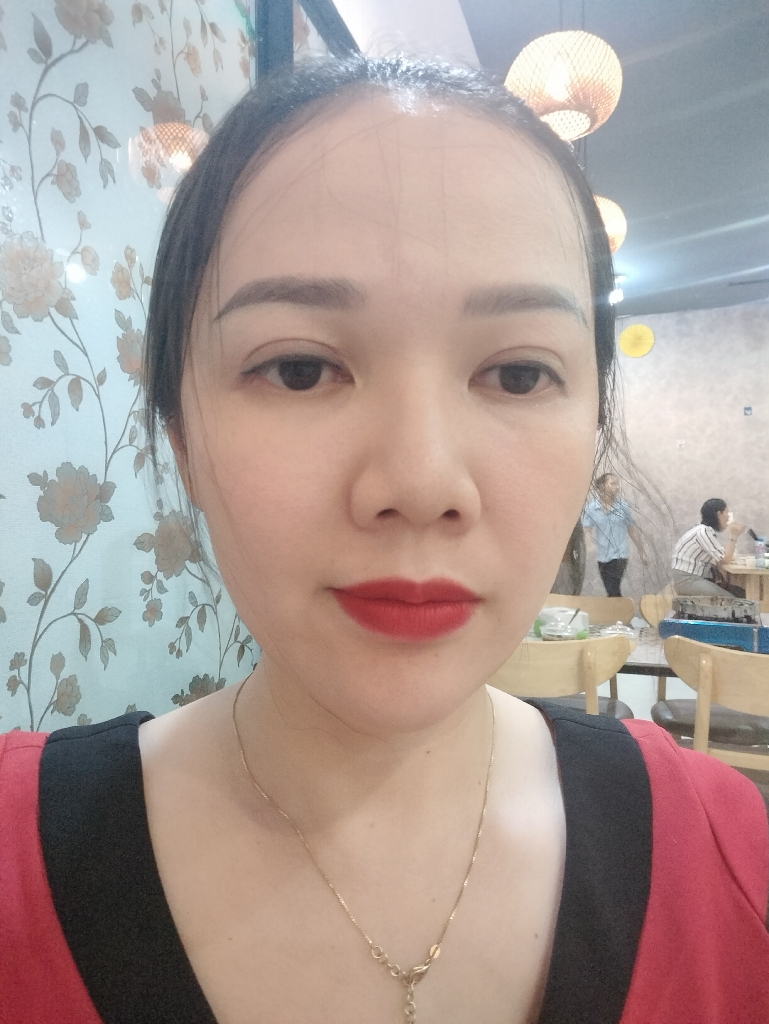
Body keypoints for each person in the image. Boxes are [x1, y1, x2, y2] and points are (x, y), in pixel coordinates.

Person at [1, 57, 767, 1024]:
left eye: (518, 374)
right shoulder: (15, 862)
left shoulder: (730, 855)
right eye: (297, 368)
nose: (419, 484)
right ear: (180, 437)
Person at [581, 473, 646, 597]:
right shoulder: (592, 508)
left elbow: (632, 529)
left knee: (613, 587)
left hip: (619, 555)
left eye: (617, 484)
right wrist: (589, 543)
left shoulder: (623, 507)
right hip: (602, 557)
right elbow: (586, 529)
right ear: (602, 486)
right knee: (611, 591)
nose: (617, 487)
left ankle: (619, 608)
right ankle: (619, 608)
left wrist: (641, 551)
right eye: (613, 484)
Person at [672, 498, 746, 597]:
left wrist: (733, 538)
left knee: (740, 592)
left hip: (693, 578)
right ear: (719, 514)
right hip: (688, 580)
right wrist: (733, 535)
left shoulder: (702, 530)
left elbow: (723, 556)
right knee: (730, 599)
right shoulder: (703, 532)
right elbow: (725, 559)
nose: (728, 517)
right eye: (726, 513)